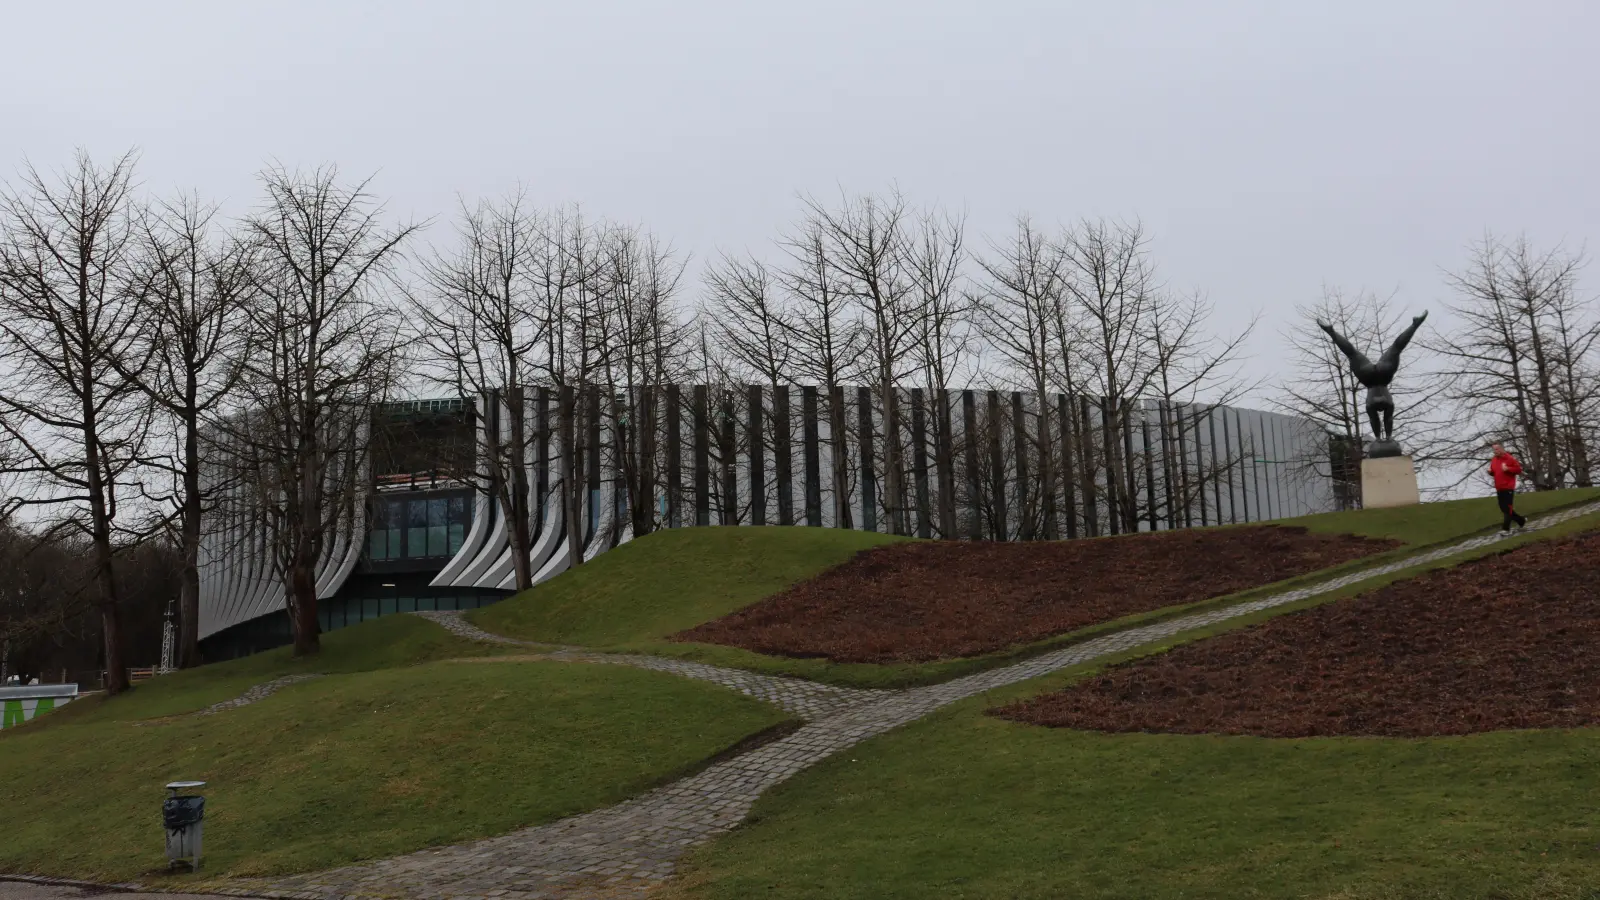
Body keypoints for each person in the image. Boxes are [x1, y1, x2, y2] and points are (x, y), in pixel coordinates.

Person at [1489, 444, 1526, 532]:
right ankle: (1521, 521)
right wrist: (1490, 472)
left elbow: (1518, 470)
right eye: (1494, 450)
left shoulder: (1509, 458)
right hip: (1499, 488)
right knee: (1503, 508)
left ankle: (1506, 529)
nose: (1495, 451)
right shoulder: (1494, 460)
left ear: (1502, 449)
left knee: (1507, 509)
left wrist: (1508, 469)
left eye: (1497, 449)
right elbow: (1494, 472)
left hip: (1508, 487)